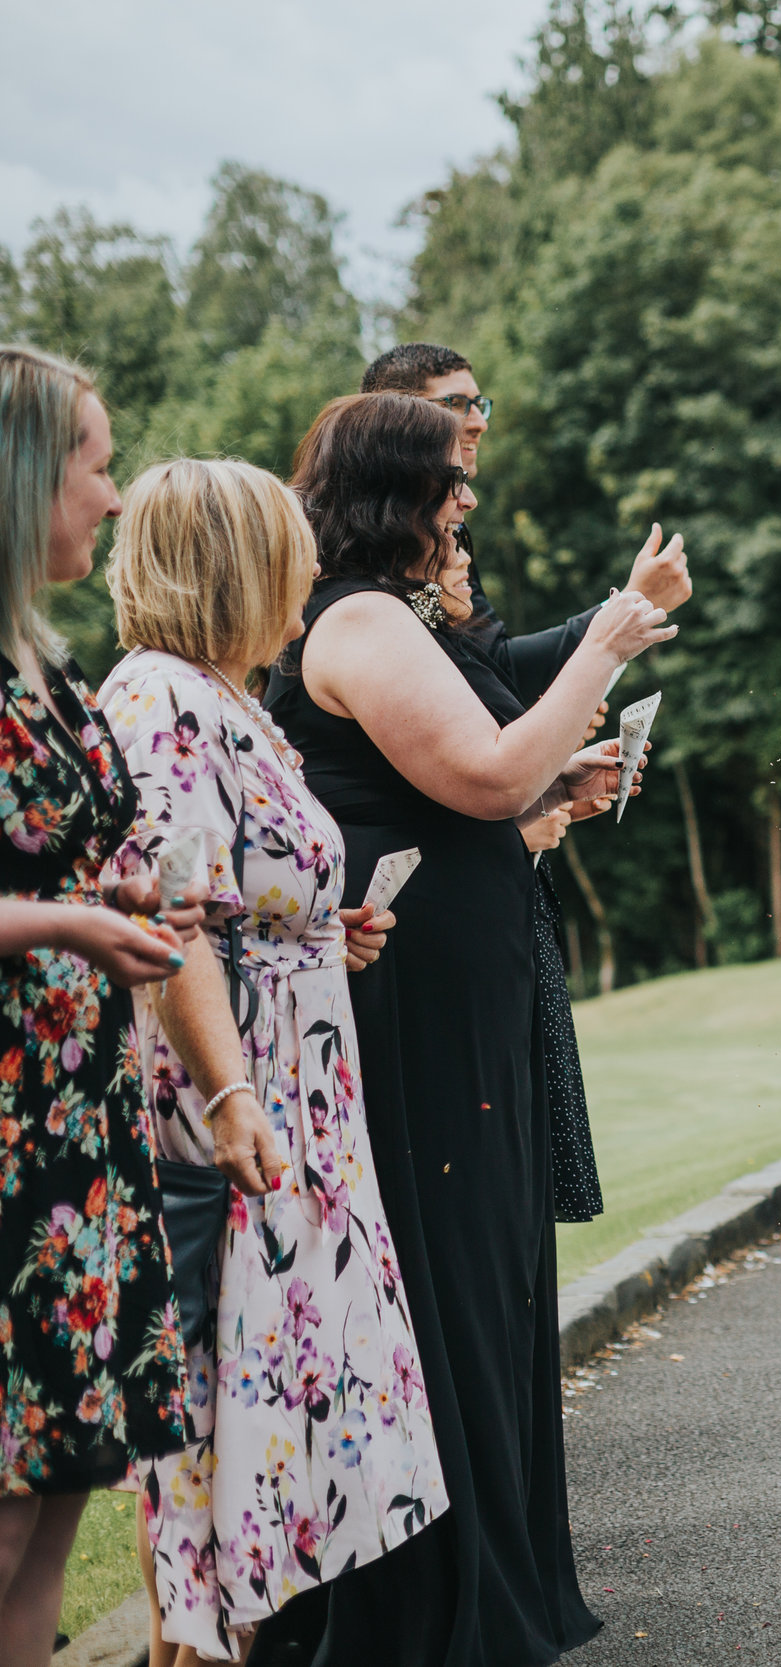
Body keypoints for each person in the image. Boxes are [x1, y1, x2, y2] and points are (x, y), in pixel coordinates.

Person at [251, 392, 673, 1666]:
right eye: (451, 480)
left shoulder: (391, 614)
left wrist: (552, 789)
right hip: (412, 993)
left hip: (451, 980)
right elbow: (482, 772)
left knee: (486, 1269)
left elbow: (486, 783)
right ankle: (439, 1609)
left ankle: (501, 1581)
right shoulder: (361, 616)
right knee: (447, 1274)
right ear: (396, 493)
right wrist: (604, 644)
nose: (468, 500)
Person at [98, 457, 449, 1664]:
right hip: (233, 1104)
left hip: (297, 1085)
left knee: (275, 1405)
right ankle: (189, 1646)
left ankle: (235, 1637)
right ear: (229, 573)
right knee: (212, 1401)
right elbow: (175, 921)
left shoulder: (227, 696)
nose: (302, 608)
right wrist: (235, 1092)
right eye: (285, 577)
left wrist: (321, 935)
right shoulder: (161, 700)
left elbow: (247, 901)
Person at [361, 341, 697, 1224]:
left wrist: (547, 782)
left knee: (513, 1188)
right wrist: (609, 626)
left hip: (500, 884)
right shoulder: (373, 593)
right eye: (454, 404)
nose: (475, 421)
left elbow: (490, 679)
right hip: (430, 917)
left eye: (481, 403)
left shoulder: (440, 549)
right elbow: (484, 703)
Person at [0, 343, 198, 1662]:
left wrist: (127, 902)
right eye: (94, 462)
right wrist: (72, 920)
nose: (116, 493)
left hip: (84, 1129)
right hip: (9, 1137)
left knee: (59, 1487)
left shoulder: (43, 662)